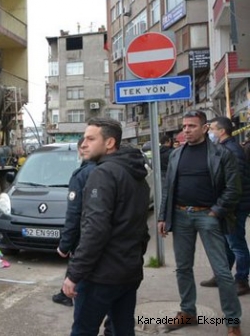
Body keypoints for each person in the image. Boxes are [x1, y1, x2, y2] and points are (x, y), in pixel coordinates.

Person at [62, 118, 150, 336]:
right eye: (84, 138)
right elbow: (140, 227)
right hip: (128, 272)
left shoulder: (103, 174)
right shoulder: (135, 174)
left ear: (109, 143)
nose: (84, 144)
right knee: (122, 330)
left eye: (91, 139)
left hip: (101, 276)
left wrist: (74, 274)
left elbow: (95, 230)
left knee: (83, 330)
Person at [158, 110, 241, 336]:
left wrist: (216, 211)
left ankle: (233, 322)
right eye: (184, 126)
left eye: (192, 126)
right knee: (183, 268)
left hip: (208, 216)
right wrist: (163, 216)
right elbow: (169, 188)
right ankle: (188, 311)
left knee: (222, 271)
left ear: (205, 128)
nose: (186, 130)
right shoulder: (177, 154)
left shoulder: (222, 154)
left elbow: (234, 188)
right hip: (180, 215)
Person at [200, 117, 250, 296]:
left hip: (235, 206)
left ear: (222, 131)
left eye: (212, 128)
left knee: (236, 243)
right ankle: (222, 275)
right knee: (226, 243)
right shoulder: (225, 148)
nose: (210, 132)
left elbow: (234, 184)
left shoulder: (232, 151)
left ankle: (242, 280)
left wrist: (224, 206)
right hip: (229, 206)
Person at [52, 136, 97, 307]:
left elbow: (74, 214)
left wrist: (64, 245)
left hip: (85, 235)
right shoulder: (112, 169)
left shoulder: (81, 175)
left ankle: (68, 294)